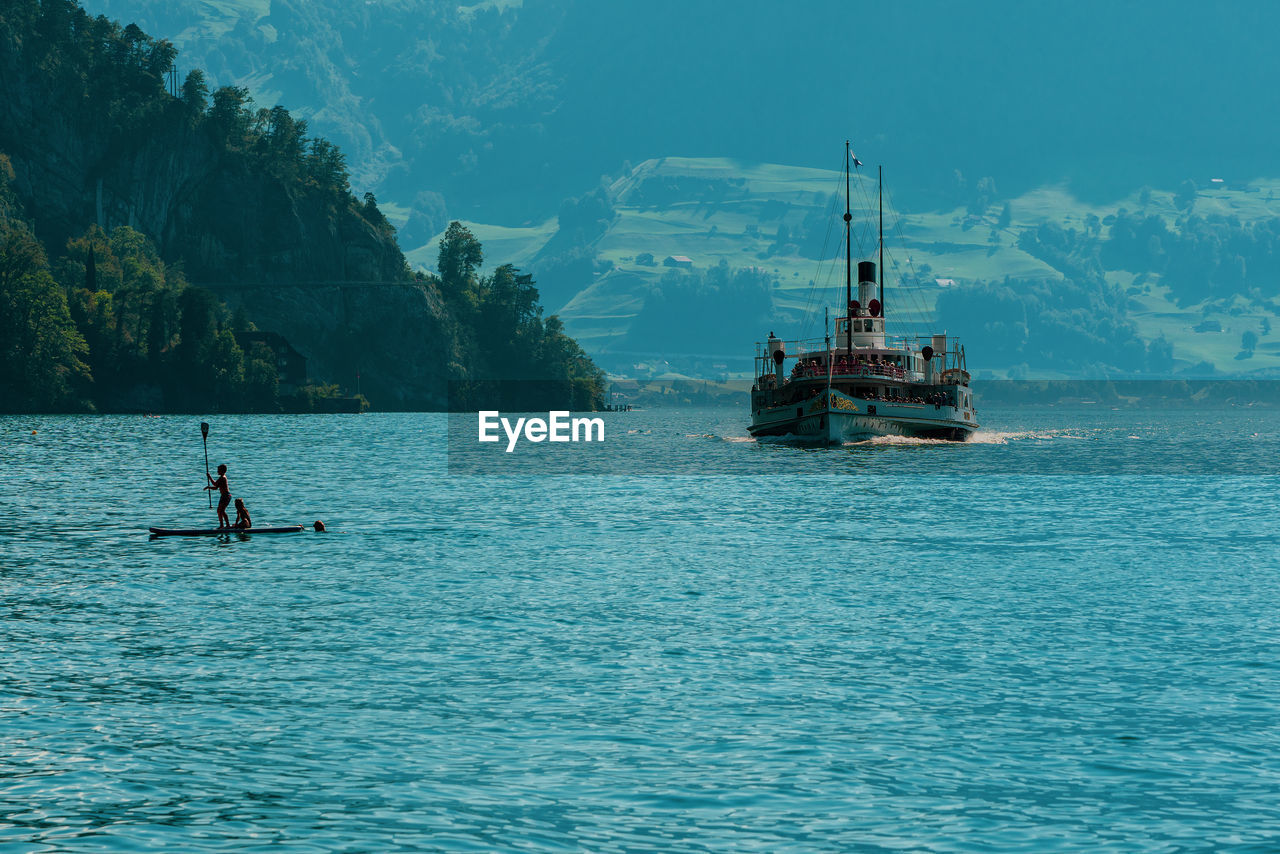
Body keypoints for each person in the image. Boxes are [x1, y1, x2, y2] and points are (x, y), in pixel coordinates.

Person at [204, 464, 232, 528]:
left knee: (221, 510)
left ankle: (226, 525)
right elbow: (216, 487)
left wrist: (209, 477)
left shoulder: (222, 478)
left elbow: (215, 484)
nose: (217, 471)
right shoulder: (222, 477)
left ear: (222, 471)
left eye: (218, 470)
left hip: (226, 496)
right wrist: (209, 487)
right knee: (220, 511)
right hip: (224, 496)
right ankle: (222, 525)